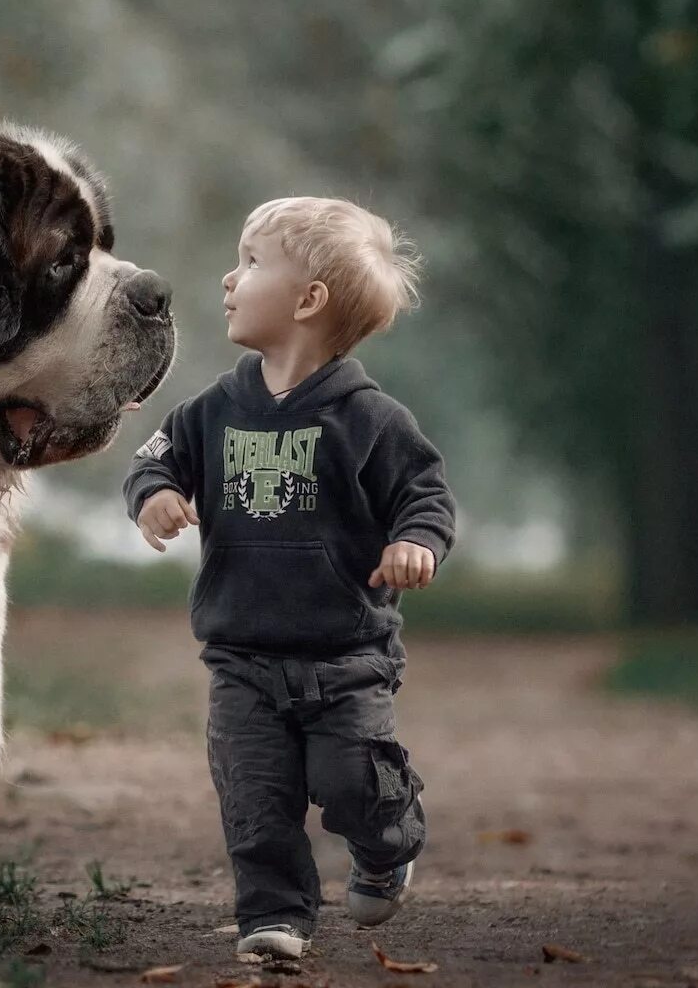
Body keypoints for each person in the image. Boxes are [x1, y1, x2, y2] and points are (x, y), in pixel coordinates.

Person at [122, 197, 455, 959]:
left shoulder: (371, 419)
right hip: (242, 655)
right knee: (255, 799)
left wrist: (417, 545)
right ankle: (274, 917)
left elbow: (425, 495)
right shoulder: (213, 409)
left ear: (308, 301)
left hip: (347, 657)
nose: (228, 278)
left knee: (350, 784)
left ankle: (388, 844)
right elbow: (154, 460)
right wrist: (158, 497)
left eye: (250, 261)